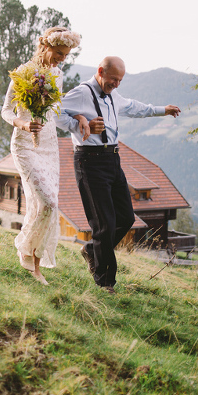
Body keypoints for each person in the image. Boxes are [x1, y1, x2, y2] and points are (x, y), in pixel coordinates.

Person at [57, 56, 181, 294]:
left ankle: (92, 250)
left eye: (120, 80)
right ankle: (105, 282)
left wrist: (162, 111)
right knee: (104, 224)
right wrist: (80, 123)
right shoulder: (82, 93)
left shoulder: (114, 95)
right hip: (89, 160)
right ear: (100, 71)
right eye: (113, 79)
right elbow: (53, 112)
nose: (116, 84)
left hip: (113, 159)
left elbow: (135, 108)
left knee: (125, 218)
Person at [0, 26, 88, 285]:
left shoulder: (58, 74)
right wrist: (24, 124)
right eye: (59, 53)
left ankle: (34, 263)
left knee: (47, 205)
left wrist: (79, 117)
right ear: (46, 47)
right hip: (25, 145)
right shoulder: (23, 72)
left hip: (49, 144)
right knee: (47, 202)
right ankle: (26, 250)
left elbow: (57, 108)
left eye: (66, 55)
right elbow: (6, 111)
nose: (62, 59)